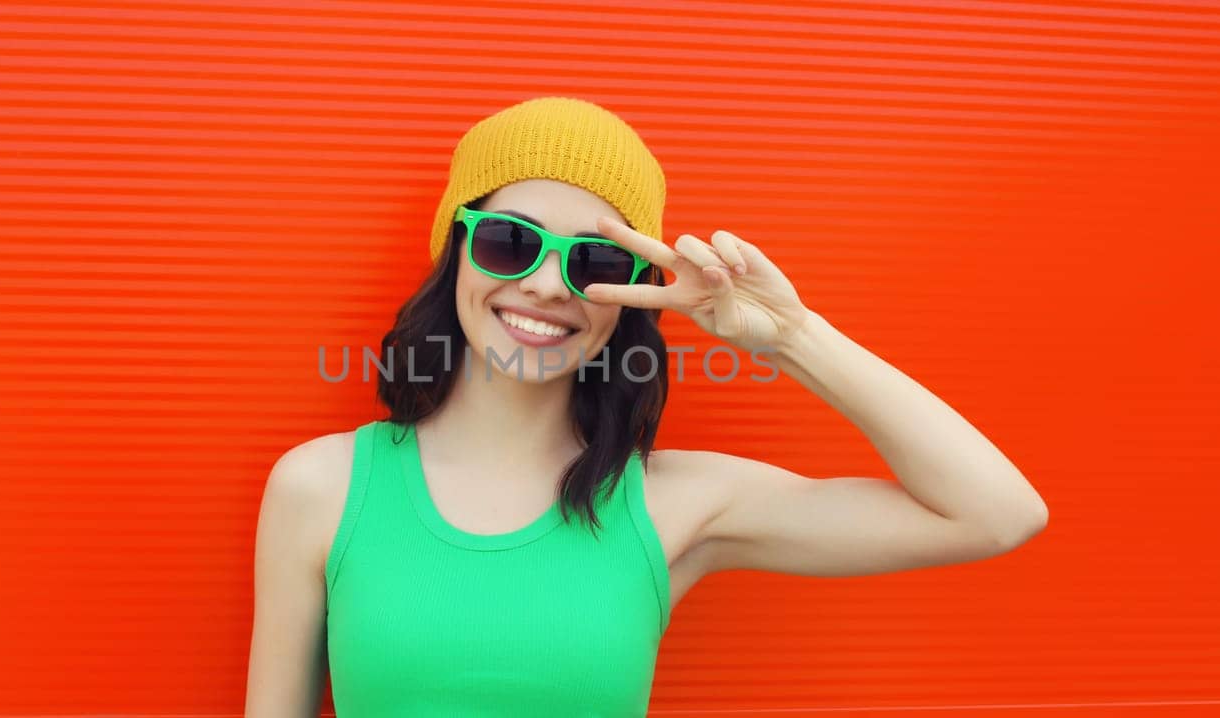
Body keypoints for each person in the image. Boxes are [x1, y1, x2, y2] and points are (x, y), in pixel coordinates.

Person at [246, 96, 1049, 718]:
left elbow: (995, 514)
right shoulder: (321, 488)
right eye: (509, 240)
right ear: (455, 249)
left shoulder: (673, 506)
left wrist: (791, 337)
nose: (548, 285)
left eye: (594, 260)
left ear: (629, 297)